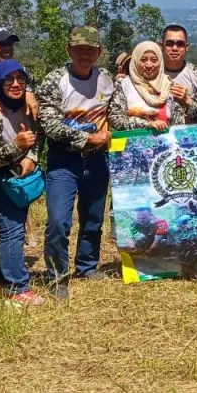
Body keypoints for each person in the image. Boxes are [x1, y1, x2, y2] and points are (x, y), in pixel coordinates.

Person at [36, 26, 114, 298]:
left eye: (90, 50)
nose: (84, 54)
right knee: (59, 221)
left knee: (93, 217)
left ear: (98, 52)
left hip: (98, 159)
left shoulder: (106, 79)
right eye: (79, 49)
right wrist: (88, 138)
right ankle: (57, 276)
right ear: (69, 51)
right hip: (64, 160)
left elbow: (116, 114)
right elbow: (49, 124)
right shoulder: (54, 80)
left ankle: (87, 265)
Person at [0, 61, 45, 305]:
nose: (16, 84)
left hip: (18, 177)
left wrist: (31, 157)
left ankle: (1, 278)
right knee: (12, 229)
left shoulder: (30, 106)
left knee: (11, 227)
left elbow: (39, 135)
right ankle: (17, 287)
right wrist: (17, 148)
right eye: (8, 80)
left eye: (21, 79)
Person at [108, 41, 184, 131]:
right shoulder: (123, 84)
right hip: (133, 139)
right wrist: (147, 124)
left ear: (160, 62)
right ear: (136, 61)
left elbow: (178, 124)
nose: (149, 65)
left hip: (166, 138)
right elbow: (115, 118)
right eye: (143, 60)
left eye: (154, 60)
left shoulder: (169, 85)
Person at [160, 24, 197, 123]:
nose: (175, 48)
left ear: (187, 47)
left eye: (180, 44)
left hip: (187, 131)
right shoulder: (149, 73)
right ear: (161, 46)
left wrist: (187, 101)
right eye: (170, 43)